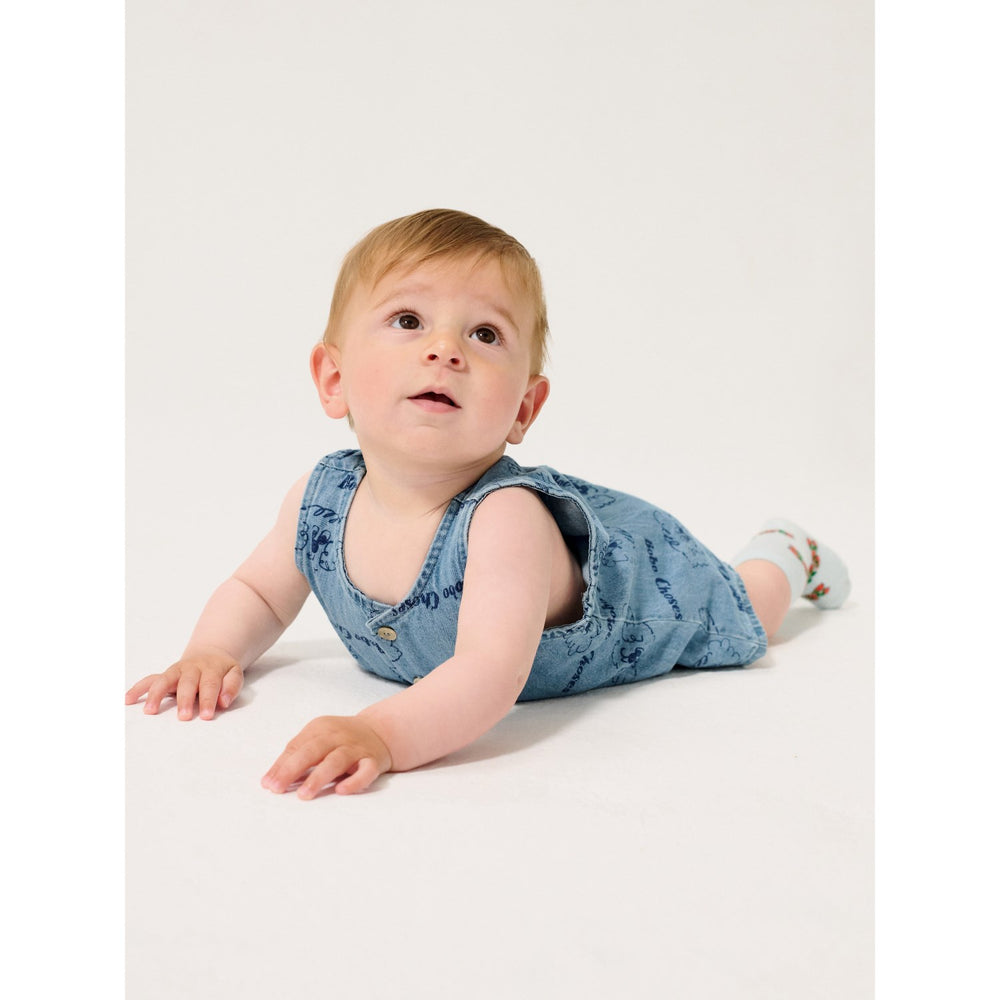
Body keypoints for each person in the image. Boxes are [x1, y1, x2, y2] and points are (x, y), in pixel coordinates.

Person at [125, 209, 850, 798]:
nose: (446, 349)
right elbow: (257, 591)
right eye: (408, 320)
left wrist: (381, 732)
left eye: (484, 333)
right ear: (333, 379)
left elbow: (488, 674)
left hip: (648, 589)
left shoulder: (504, 521)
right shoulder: (319, 501)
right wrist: (212, 651)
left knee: (746, 611)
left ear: (523, 409)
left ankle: (785, 551)